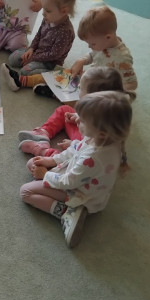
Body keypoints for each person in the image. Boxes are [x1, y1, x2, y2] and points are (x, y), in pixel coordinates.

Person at [20, 90, 133, 248]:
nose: (77, 119)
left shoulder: (94, 157)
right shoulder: (102, 139)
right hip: (78, 177)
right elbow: (74, 149)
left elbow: (68, 182)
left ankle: (65, 212)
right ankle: (50, 183)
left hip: (80, 193)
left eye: (83, 120)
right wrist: (51, 160)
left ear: (101, 132)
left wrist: (45, 175)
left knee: (25, 192)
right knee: (32, 164)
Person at [18, 67, 136, 156]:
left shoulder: (100, 130)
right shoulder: (103, 111)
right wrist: (77, 116)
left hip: (87, 140)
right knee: (64, 109)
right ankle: (44, 132)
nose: (77, 87)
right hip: (87, 130)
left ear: (92, 98)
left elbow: (89, 147)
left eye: (80, 88)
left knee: (75, 157)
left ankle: (45, 151)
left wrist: (74, 145)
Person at [34, 5, 138, 97]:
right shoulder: (104, 44)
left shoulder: (122, 58)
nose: (89, 47)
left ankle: (53, 93)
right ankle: (47, 84)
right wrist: (82, 60)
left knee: (84, 102)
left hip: (105, 92)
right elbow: (94, 55)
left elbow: (132, 84)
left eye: (93, 44)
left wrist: (108, 91)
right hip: (95, 78)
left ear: (108, 37)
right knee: (68, 75)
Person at [0, 0, 76, 91]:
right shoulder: (48, 18)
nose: (43, 13)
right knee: (13, 59)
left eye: (48, 10)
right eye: (44, 8)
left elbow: (53, 55)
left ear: (64, 11)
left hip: (50, 62)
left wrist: (33, 58)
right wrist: (31, 49)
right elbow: (39, 34)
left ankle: (53, 74)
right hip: (37, 52)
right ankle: (31, 60)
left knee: (24, 71)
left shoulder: (66, 32)